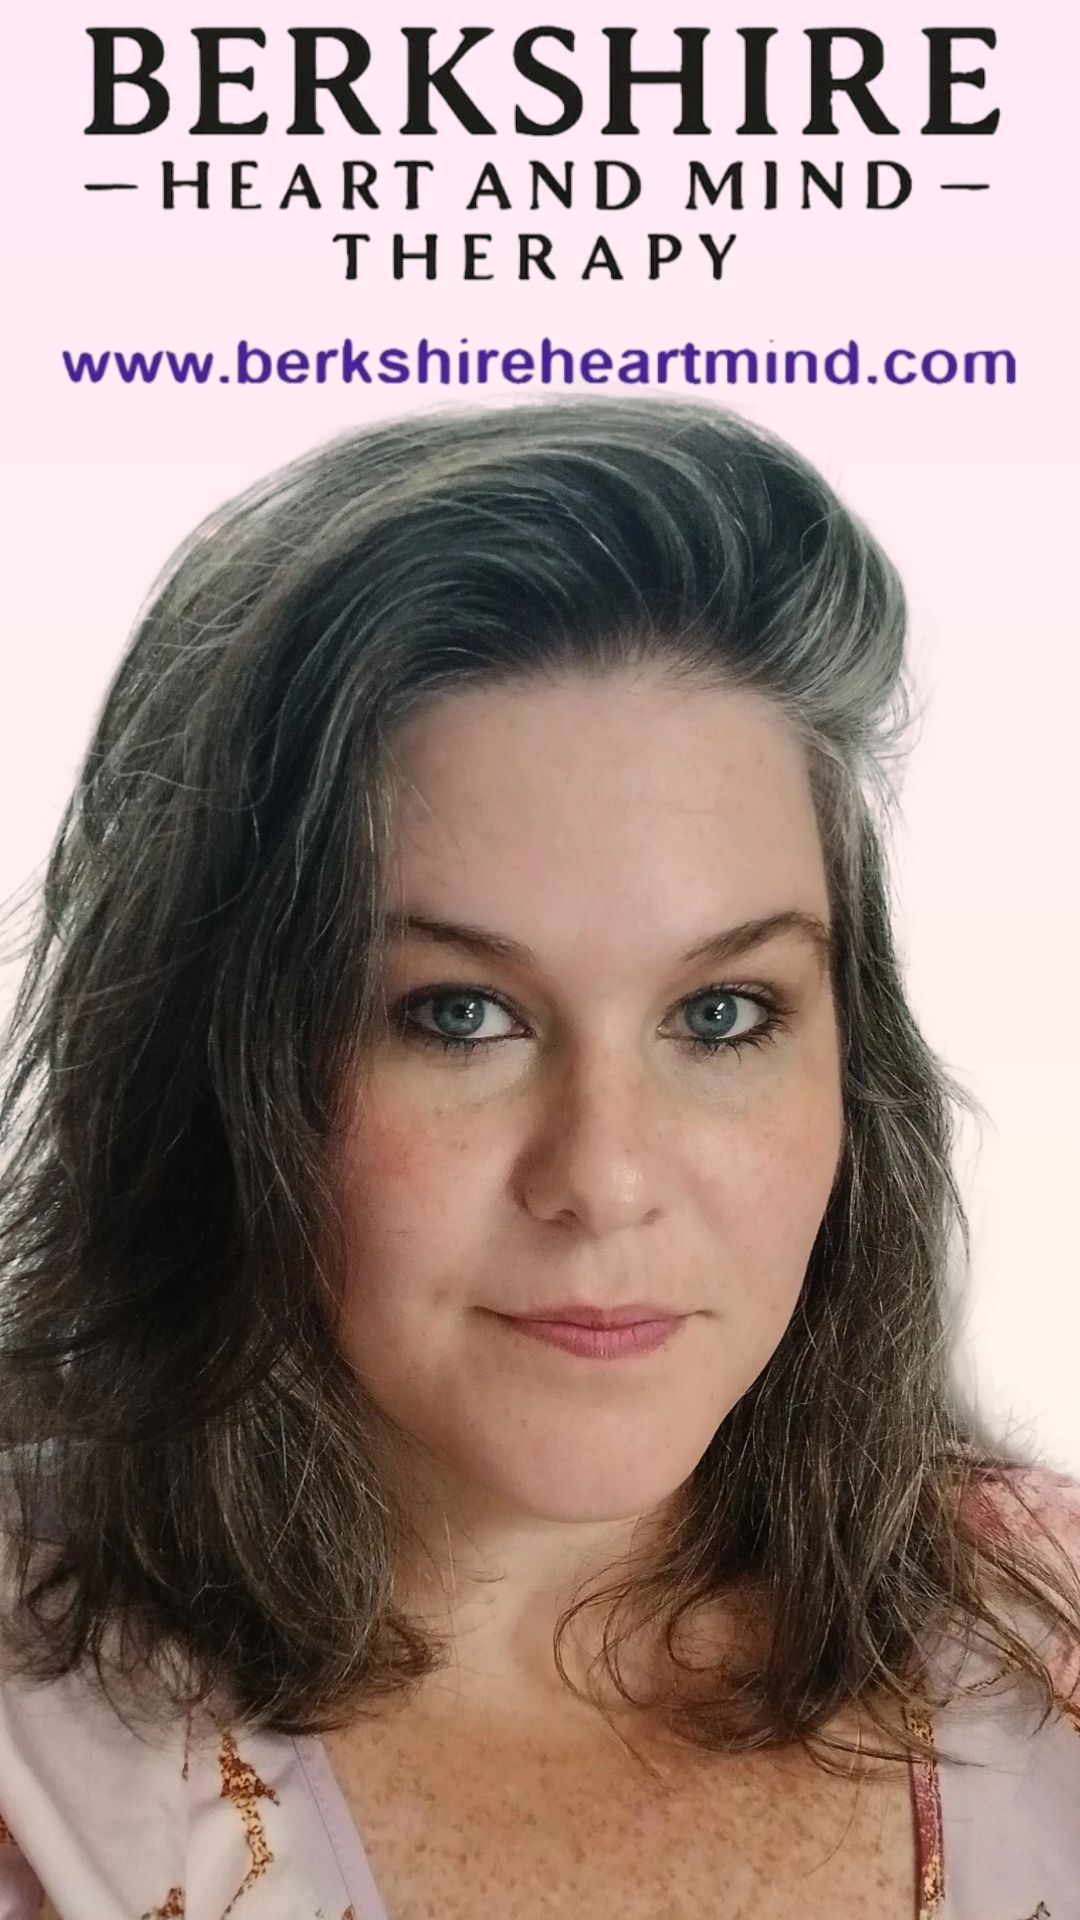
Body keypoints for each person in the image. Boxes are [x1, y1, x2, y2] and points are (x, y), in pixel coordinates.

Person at [0, 396, 1076, 1920]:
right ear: (219, 1063)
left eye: (719, 1012)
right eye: (459, 1015)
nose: (606, 1176)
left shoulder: (1054, 1638)